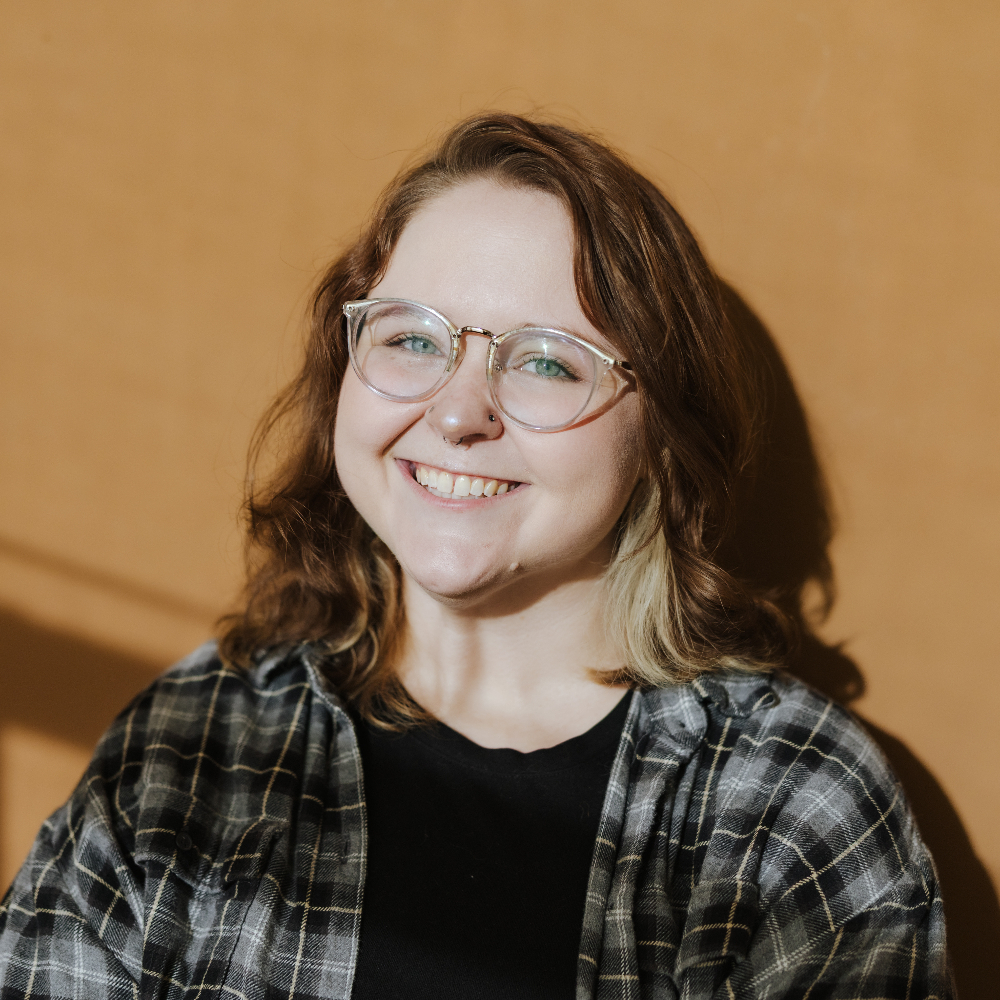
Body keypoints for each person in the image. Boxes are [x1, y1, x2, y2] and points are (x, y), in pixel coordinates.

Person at [0, 113, 951, 998]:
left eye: (545, 360)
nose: (457, 413)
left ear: (660, 432)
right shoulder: (191, 748)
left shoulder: (791, 806)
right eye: (413, 337)